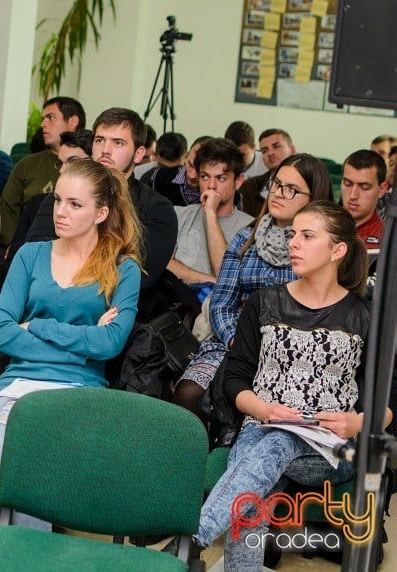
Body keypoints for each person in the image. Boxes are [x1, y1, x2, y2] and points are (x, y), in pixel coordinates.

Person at [195, 200, 394, 571]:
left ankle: (193, 537)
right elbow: (235, 377)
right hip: (263, 425)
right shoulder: (264, 302)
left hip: (331, 449)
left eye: (307, 236)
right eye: (292, 235)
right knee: (262, 468)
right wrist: (262, 409)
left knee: (275, 444)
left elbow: (391, 398)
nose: (293, 244)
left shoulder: (364, 315)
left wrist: (356, 424)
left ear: (337, 250)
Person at [0, 158, 142, 529]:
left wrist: (36, 326)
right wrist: (82, 346)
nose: (60, 212)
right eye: (58, 200)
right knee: (10, 421)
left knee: (28, 428)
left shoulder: (122, 268)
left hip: (78, 388)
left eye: (75, 204)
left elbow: (111, 343)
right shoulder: (30, 254)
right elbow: (0, 332)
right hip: (18, 382)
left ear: (101, 212)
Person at [173, 154, 334, 420]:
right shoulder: (246, 237)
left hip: (289, 350)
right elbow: (222, 301)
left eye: (291, 189)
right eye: (276, 183)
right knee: (189, 394)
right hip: (233, 340)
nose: (278, 193)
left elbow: (319, 311)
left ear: (313, 198)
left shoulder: (318, 248)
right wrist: (237, 339)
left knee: (255, 406)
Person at [26, 108, 177, 320]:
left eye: (118, 143)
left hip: (113, 315)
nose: (105, 150)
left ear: (140, 153)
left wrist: (66, 256)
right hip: (49, 303)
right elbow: (36, 251)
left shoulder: (157, 208)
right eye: (99, 140)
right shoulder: (63, 194)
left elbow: (139, 277)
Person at [0, 96, 84, 245]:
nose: (43, 124)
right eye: (43, 118)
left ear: (72, 122)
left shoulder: (93, 166)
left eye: (50, 118)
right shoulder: (27, 164)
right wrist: (13, 244)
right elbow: (8, 208)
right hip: (26, 244)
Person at [167, 138, 252, 287]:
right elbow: (162, 263)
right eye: (205, 176)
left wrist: (211, 214)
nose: (211, 186)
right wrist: (206, 280)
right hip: (176, 304)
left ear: (238, 181)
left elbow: (226, 277)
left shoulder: (250, 227)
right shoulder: (179, 214)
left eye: (221, 178)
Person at [238, 128, 296, 218]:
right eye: (264, 150)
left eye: (276, 146)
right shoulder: (249, 187)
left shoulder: (310, 184)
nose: (270, 153)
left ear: (292, 150)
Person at [143, 135, 213, 207]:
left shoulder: (216, 192)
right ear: (186, 156)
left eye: (201, 172)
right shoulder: (157, 177)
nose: (192, 175)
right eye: (190, 165)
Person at [341, 149, 389, 249]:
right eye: (347, 184)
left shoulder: (388, 241)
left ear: (382, 189)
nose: (353, 195)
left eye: (364, 187)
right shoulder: (320, 227)